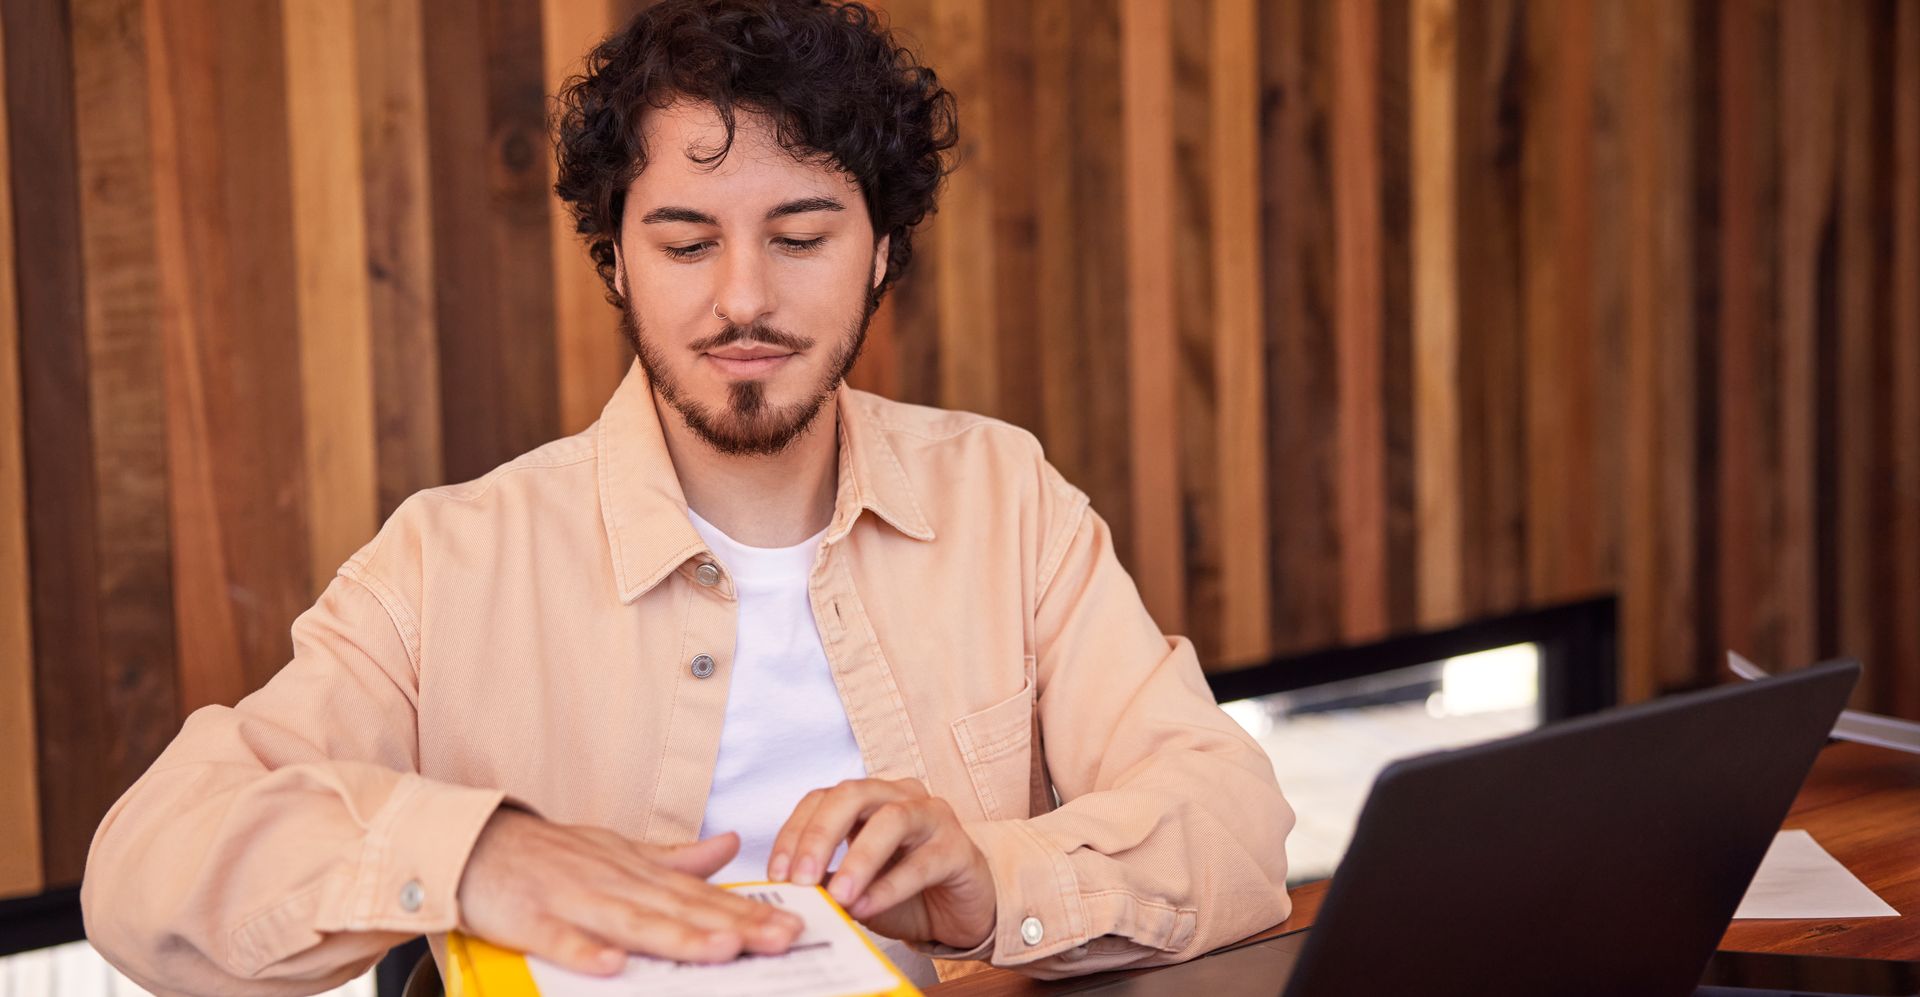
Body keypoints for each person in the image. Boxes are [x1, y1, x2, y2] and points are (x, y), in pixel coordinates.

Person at [81, 0, 1293, 992]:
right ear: (614, 257)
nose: (742, 301)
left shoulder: (1004, 497)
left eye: (803, 236)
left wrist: (989, 876)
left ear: (882, 249)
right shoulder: (451, 565)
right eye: (685, 241)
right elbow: (144, 872)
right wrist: (474, 856)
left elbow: (1233, 823)